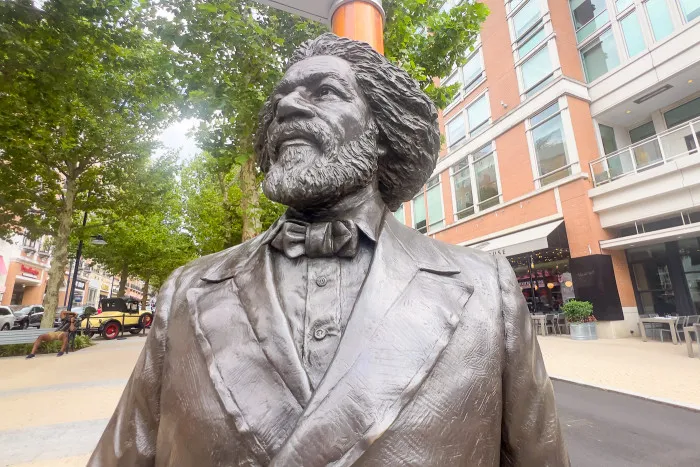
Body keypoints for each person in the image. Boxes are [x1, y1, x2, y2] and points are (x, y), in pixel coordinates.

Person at [89, 33, 569, 466]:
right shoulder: (187, 289)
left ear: (383, 133)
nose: (288, 108)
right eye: (280, 99)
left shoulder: (487, 288)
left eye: (325, 92)